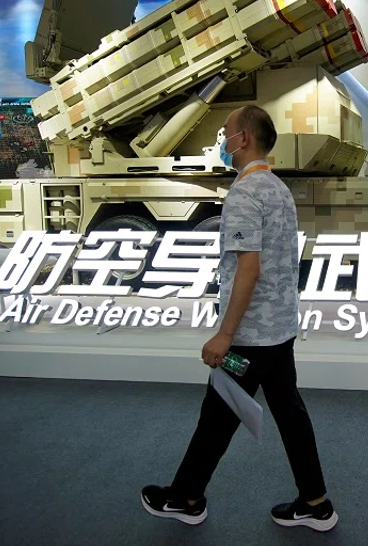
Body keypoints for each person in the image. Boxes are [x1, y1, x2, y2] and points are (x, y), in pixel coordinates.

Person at [141, 106, 337, 532]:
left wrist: (224, 335)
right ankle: (315, 502)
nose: (222, 139)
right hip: (279, 328)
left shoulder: (245, 194)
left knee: (219, 414)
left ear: (243, 139)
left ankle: (186, 497)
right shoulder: (277, 188)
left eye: (226, 132)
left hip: (250, 336)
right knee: (285, 413)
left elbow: (249, 268)